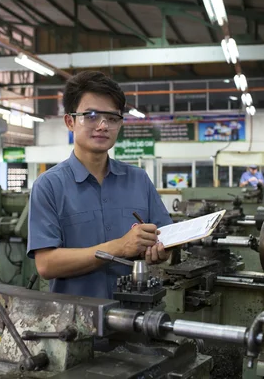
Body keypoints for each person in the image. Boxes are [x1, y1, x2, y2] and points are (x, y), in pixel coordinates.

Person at [27, 71, 173, 300]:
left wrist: (161, 251)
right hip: (75, 323)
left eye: (112, 118)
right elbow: (46, 264)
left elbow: (166, 238)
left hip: (139, 320)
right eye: (92, 116)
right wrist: (119, 247)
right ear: (70, 121)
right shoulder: (48, 186)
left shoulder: (138, 180)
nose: (103, 125)